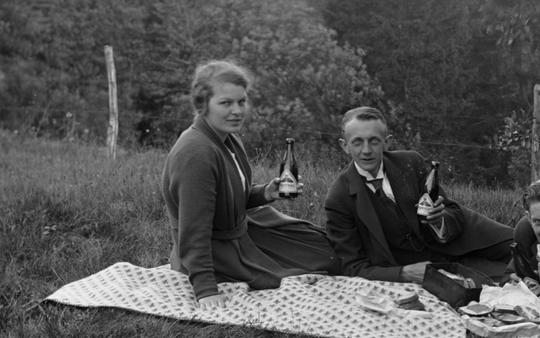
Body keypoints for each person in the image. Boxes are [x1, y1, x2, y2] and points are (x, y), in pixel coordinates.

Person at [161, 60, 339, 308]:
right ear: (202, 105)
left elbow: (229, 200)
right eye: (226, 103)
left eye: (241, 101)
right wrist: (205, 289)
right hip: (216, 250)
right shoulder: (196, 154)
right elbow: (193, 231)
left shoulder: (229, 138)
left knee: (329, 249)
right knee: (318, 267)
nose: (237, 111)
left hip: (244, 230)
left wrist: (266, 193)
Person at [324, 107, 514, 283]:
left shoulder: (409, 163)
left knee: (523, 248)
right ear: (345, 145)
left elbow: (453, 211)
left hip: (460, 241)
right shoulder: (339, 198)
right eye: (357, 142)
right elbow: (352, 268)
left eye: (374, 141)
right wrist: (403, 273)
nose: (366, 150)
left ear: (387, 142)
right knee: (508, 283)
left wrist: (439, 221)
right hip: (430, 271)